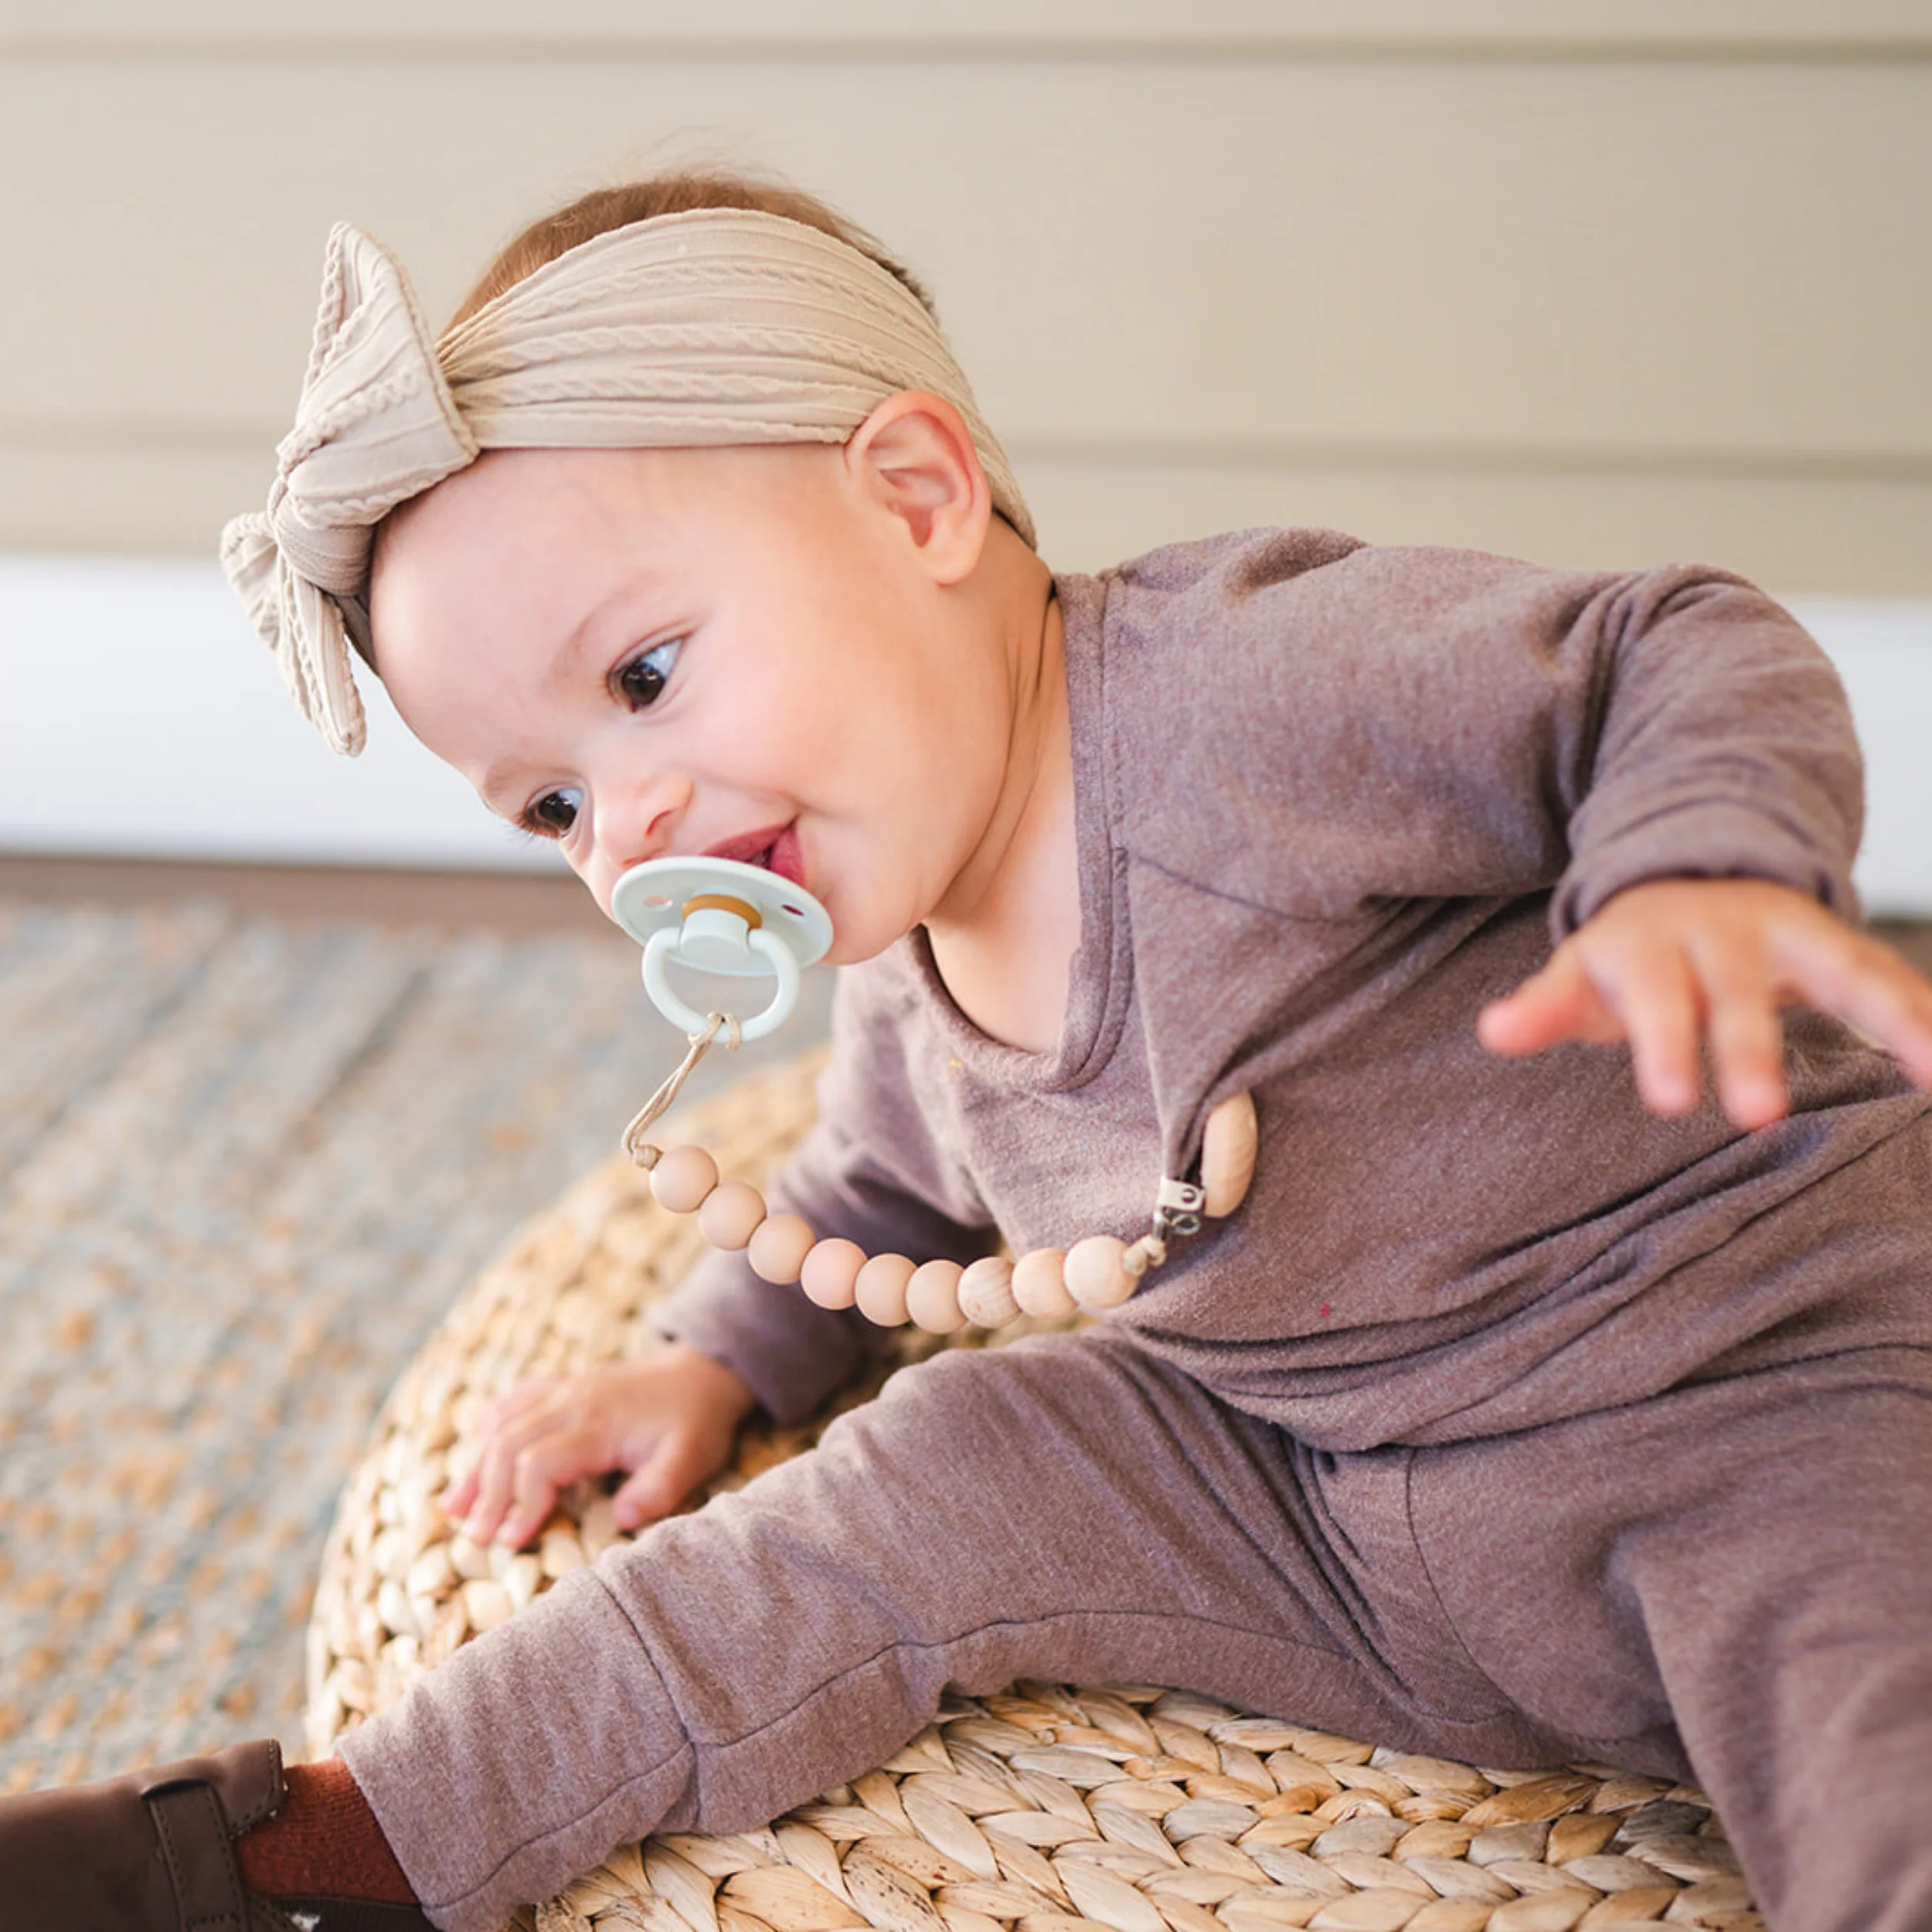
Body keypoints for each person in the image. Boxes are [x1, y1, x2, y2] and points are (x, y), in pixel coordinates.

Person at [5, 172, 1931, 1932]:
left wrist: (1693, 864)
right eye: (550, 807)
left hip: (1737, 1375)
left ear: (919, 498)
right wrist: (712, 1355)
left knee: (1863, 1729)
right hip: (1313, 1482)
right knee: (913, 1475)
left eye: (646, 676)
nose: (628, 824)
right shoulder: (901, 940)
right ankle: (310, 1850)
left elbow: (1665, 648)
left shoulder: (1234, 698)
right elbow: (874, 1183)